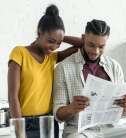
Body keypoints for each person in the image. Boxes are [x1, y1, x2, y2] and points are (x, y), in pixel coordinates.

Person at [53, 19, 126, 138]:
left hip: (111, 129)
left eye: (101, 47)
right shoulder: (63, 68)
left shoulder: (114, 66)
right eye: (91, 45)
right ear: (83, 38)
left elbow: (123, 114)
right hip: (80, 131)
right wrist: (72, 108)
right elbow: (58, 115)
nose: (95, 52)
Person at [8, 4, 78, 138]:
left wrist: (60, 36)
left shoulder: (51, 57)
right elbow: (13, 96)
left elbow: (82, 45)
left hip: (49, 122)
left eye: (58, 43)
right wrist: (19, 131)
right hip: (25, 123)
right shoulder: (19, 53)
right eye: (51, 41)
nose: (54, 47)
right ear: (39, 32)